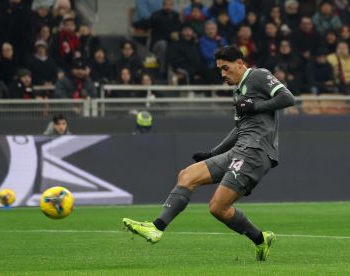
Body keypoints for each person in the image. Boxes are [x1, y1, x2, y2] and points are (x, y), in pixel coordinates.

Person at [123, 45, 295, 261]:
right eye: (220, 70)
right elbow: (239, 129)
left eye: (226, 68)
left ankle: (260, 239)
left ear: (240, 63)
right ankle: (156, 227)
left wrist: (255, 107)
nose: (223, 74)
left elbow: (288, 98)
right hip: (239, 149)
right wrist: (212, 153)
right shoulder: (238, 91)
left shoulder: (258, 76)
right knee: (187, 175)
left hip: (256, 151)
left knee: (217, 207)